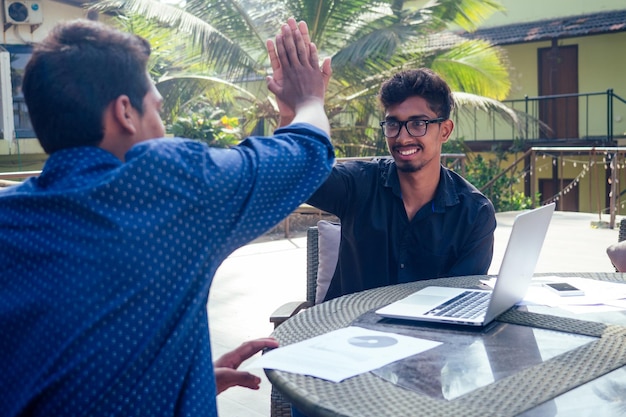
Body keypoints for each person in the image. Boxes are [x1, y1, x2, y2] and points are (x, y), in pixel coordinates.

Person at [0, 18, 333, 416]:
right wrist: (309, 100)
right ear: (125, 112)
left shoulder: (11, 217)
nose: (163, 127)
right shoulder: (162, 185)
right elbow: (307, 150)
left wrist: (182, 379)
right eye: (157, 109)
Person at [305, 68, 497, 301]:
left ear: (445, 130)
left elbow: (464, 298)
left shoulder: (474, 214)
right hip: (347, 332)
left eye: (418, 124)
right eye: (393, 124)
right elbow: (296, 178)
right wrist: (302, 108)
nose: (403, 138)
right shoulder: (359, 184)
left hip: (432, 334)